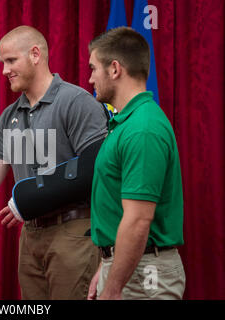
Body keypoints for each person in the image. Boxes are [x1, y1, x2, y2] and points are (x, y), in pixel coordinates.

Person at [0, 26, 108, 299]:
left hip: (73, 233)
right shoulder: (9, 116)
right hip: (30, 237)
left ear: (35, 54)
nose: (4, 71)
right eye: (2, 63)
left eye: (11, 61)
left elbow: (96, 169)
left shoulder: (76, 102)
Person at [87, 27, 185, 300]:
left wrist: (114, 287)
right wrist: (107, 265)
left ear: (115, 69)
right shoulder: (127, 123)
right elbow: (120, 212)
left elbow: (139, 220)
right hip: (130, 267)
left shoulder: (142, 129)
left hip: (144, 277)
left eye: (94, 68)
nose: (90, 77)